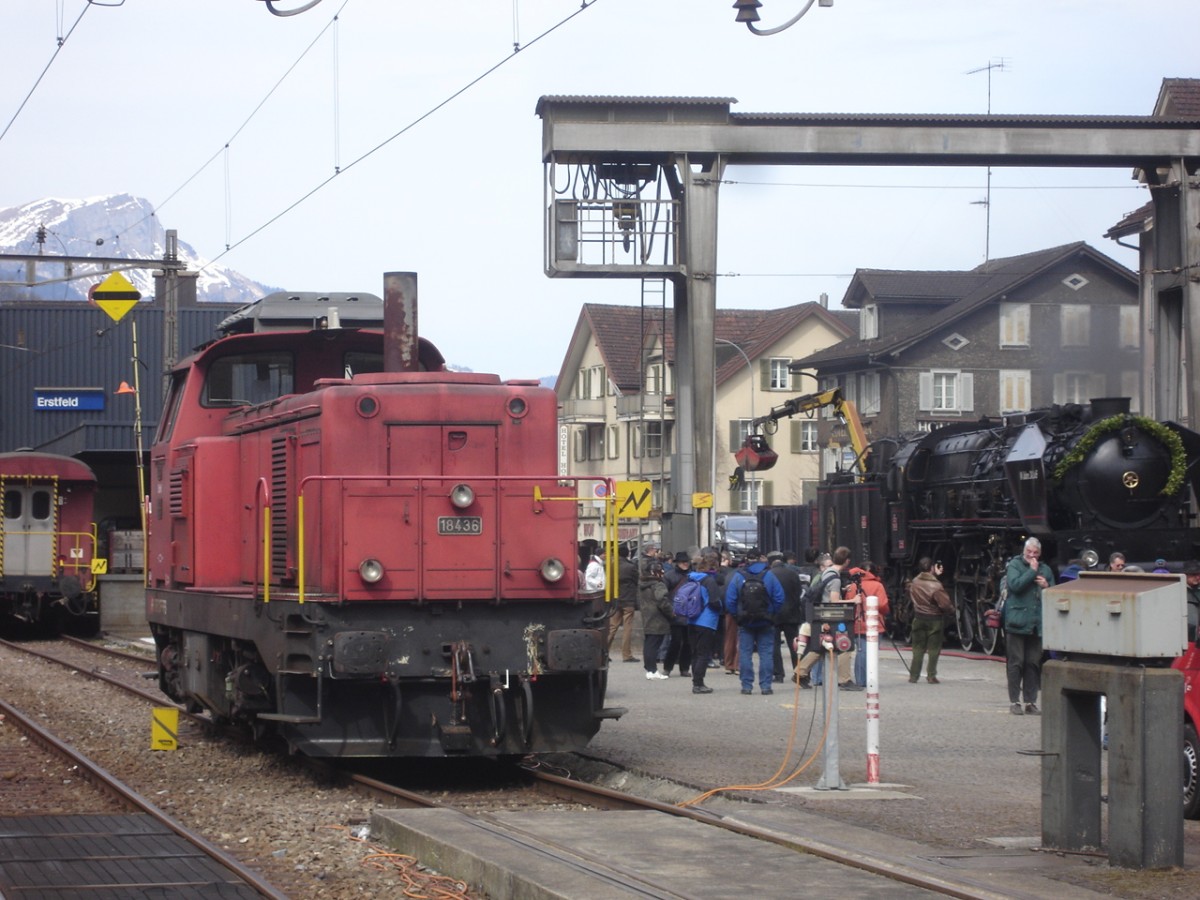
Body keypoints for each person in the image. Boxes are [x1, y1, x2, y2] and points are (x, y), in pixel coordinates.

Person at [725, 547, 785, 695]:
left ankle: (747, 685)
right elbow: (779, 598)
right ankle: (765, 686)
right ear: (761, 558)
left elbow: (730, 600)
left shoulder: (739, 576)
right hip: (766, 620)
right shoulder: (769, 576)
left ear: (747, 559)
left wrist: (737, 615)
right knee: (766, 653)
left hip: (745, 620)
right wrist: (771, 613)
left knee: (745, 653)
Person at [1005, 537, 1053, 715]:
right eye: (1029, 552)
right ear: (1023, 552)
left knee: (1033, 663)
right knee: (1016, 662)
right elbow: (1015, 585)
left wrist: (1047, 586)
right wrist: (1031, 573)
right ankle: (1014, 701)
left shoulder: (1046, 569)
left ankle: (1031, 701)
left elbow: (1053, 593)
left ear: (1040, 554)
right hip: (1017, 621)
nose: (1032, 556)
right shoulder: (1014, 566)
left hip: (1036, 624)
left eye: (1035, 553)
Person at [793, 551, 847, 688]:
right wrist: (853, 600)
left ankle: (800, 671)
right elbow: (833, 601)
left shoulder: (822, 576)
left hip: (817, 613)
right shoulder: (833, 577)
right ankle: (844, 679)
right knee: (844, 646)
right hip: (826, 615)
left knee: (819, 647)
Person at [907, 558, 953, 684]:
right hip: (934, 619)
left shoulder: (915, 582)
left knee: (917, 648)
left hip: (918, 617)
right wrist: (952, 611)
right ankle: (931, 675)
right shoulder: (936, 586)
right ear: (932, 568)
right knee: (934, 649)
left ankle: (913, 675)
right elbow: (945, 604)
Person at [844, 562, 891, 687]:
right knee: (872, 652)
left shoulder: (853, 586)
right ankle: (870, 679)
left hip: (857, 622)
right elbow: (882, 605)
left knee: (861, 651)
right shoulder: (878, 586)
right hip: (875, 622)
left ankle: (860, 679)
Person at [685, 551, 724, 694]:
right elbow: (714, 601)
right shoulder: (709, 581)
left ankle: (695, 681)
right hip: (706, 620)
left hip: (691, 619)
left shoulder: (690, 578)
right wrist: (721, 607)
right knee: (703, 654)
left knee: (695, 653)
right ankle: (699, 684)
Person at [770, 551, 805, 683]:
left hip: (774, 615)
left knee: (775, 645)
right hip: (791, 614)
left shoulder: (770, 575)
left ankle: (778, 674)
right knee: (794, 645)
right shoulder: (792, 574)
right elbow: (799, 592)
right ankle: (798, 673)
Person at [637, 561, 672, 680]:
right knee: (654, 644)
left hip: (647, 615)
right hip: (658, 617)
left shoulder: (642, 583)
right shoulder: (658, 584)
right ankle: (653, 670)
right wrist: (671, 613)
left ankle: (649, 669)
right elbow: (662, 600)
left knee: (649, 644)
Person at [662, 551, 693, 678]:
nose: (685, 564)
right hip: (676, 613)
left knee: (688, 643)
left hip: (690, 612)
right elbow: (664, 594)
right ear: (678, 563)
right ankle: (668, 667)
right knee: (675, 642)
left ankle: (684, 668)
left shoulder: (693, 575)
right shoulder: (670, 576)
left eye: (686, 562)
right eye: (682, 562)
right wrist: (669, 610)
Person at [607, 544, 640, 662]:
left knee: (612, 627)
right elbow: (637, 580)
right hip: (628, 600)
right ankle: (626, 655)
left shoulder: (611, 565)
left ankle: (604, 653)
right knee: (627, 628)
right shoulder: (631, 567)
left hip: (615, 599)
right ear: (628, 554)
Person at [1185, 560, 1200, 643]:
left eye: (1199, 574)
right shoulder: (1178, 589)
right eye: (1194, 574)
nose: (1197, 577)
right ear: (1185, 575)